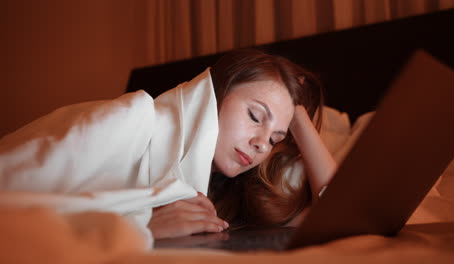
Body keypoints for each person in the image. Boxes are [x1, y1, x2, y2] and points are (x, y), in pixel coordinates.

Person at [0, 49, 336, 244]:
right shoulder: (134, 119)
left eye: (276, 138)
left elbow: (335, 212)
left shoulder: (221, 194)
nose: (262, 143)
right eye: (254, 115)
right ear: (214, 96)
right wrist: (140, 226)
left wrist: (298, 117)